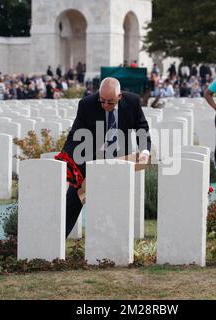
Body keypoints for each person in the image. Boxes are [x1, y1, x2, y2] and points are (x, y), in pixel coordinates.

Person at [61, 77, 151, 238]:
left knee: (115, 201)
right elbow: (75, 135)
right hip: (91, 158)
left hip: (120, 159)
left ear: (119, 96)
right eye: (102, 101)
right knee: (73, 200)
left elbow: (141, 127)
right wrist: (67, 161)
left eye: (110, 102)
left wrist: (144, 151)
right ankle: (57, 240)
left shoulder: (133, 102)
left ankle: (113, 242)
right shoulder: (87, 104)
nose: (105, 105)